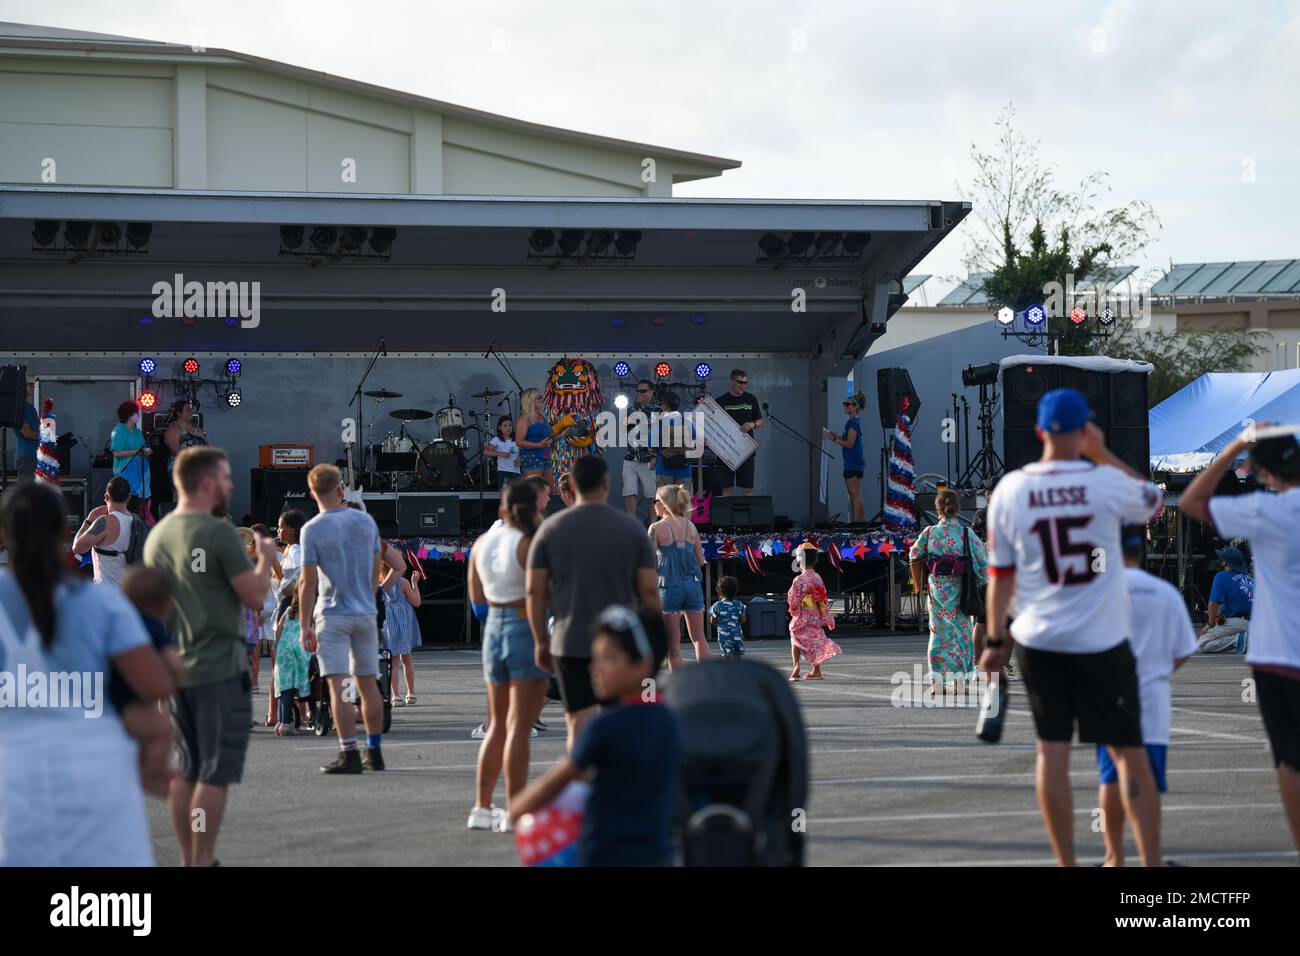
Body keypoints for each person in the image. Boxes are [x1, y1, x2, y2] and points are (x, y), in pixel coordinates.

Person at [981, 389, 1166, 868]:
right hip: (1102, 639)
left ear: (1039, 431)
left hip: (1039, 638)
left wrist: (996, 639)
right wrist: (1102, 453)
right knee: (1129, 752)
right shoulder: (1104, 482)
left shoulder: (1011, 490)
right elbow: (1153, 503)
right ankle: (1147, 863)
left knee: (1052, 752)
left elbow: (1000, 578)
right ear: (1085, 431)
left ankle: (1066, 862)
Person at [0, 484, 172, 867]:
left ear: (4, 535)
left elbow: (80, 549)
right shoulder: (104, 605)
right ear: (59, 530)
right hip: (102, 789)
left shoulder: (101, 526)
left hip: (20, 791)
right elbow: (157, 684)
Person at [144, 446, 276, 867]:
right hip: (219, 667)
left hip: (177, 668)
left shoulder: (159, 537)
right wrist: (266, 559)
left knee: (188, 768)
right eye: (225, 479)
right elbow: (255, 596)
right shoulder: (218, 532)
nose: (231, 485)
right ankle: (202, 860)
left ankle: (189, 858)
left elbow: (156, 607)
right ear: (206, 483)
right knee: (213, 774)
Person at [1179, 423, 1300, 853]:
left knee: (1289, 759)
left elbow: (1191, 501)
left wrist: (1234, 447)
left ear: (1266, 473)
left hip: (1277, 653)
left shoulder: (1263, 511)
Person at [508, 606, 681, 867]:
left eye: (609, 658)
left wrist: (516, 809)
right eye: (595, 657)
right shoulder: (669, 719)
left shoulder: (606, 726)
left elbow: (557, 781)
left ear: (642, 664)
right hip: (657, 853)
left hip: (605, 853)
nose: (595, 668)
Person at [527, 455, 661, 751]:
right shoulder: (631, 529)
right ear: (607, 484)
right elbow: (650, 591)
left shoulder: (549, 530)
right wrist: (655, 640)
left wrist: (540, 642)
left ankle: (583, 784)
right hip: (618, 642)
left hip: (569, 639)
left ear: (571, 486)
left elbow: (535, 592)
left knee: (578, 722)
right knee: (619, 717)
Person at [1097, 527, 1198, 866]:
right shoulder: (1164, 592)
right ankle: (1151, 858)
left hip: (1109, 693)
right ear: (1141, 552)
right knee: (1149, 777)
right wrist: (1159, 671)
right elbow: (1185, 649)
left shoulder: (1099, 592)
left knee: (1110, 776)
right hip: (1152, 696)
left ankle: (1114, 857)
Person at [467, 478, 551, 830]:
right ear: (534, 507)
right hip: (522, 625)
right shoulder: (531, 542)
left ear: (503, 507)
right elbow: (536, 595)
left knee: (497, 724)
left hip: (494, 629)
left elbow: (476, 603)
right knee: (519, 726)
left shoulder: (482, 543)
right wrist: (542, 642)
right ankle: (516, 809)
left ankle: (482, 808)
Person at [298, 463, 386, 774]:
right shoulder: (365, 522)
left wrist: (305, 624)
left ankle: (349, 753)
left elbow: (308, 582)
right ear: (341, 490)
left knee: (338, 685)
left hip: (332, 613)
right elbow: (376, 570)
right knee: (368, 683)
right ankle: (374, 752)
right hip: (364, 611)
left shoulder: (311, 529)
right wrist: (369, 597)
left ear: (312, 494)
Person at [908, 488, 988, 694]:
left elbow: (914, 554)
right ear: (957, 508)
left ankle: (937, 682)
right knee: (961, 635)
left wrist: (920, 583)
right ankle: (961, 683)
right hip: (961, 590)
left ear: (937, 510)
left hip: (937, 591)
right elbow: (982, 563)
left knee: (938, 634)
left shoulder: (929, 533)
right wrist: (981, 581)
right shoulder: (965, 533)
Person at [117, 565, 186, 798]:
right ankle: (153, 776)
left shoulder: (118, 621)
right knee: (162, 729)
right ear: (165, 603)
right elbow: (174, 662)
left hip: (103, 699)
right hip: (125, 704)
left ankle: (137, 767)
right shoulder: (152, 624)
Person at [648, 483, 709, 670]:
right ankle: (708, 680)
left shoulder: (656, 528)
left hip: (668, 587)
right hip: (692, 584)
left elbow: (649, 565)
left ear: (665, 503)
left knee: (673, 644)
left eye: (656, 501)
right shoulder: (691, 527)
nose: (654, 505)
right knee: (699, 638)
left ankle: (679, 686)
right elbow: (701, 560)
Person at [787, 543, 841, 680]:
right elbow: (823, 597)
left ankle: (796, 667)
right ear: (815, 560)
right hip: (815, 614)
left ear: (799, 560)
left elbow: (794, 599)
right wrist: (824, 615)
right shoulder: (817, 577)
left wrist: (793, 609)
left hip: (803, 613)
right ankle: (816, 670)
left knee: (795, 637)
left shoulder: (798, 579)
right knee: (814, 639)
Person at [705, 368, 763, 497]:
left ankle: (749, 517)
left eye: (745, 383)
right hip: (726, 451)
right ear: (732, 381)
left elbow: (760, 421)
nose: (743, 386)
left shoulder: (751, 399)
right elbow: (711, 425)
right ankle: (726, 517)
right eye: (740, 382)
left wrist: (752, 424)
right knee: (726, 489)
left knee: (747, 489)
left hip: (746, 450)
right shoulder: (721, 401)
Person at [71, 475, 137, 587]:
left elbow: (77, 548)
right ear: (129, 498)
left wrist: (89, 520)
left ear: (106, 497)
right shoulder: (137, 522)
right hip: (129, 595)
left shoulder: (105, 523)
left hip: (107, 595)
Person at [381, 556, 422, 705]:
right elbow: (416, 602)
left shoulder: (381, 584)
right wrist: (414, 583)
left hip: (388, 622)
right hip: (404, 621)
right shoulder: (402, 583)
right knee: (407, 659)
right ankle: (411, 694)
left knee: (393, 660)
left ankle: (395, 696)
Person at [1198, 545, 1254, 653]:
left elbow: (1213, 603)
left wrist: (1210, 624)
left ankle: (1238, 640)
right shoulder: (1251, 578)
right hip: (1255, 622)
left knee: (1202, 644)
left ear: (1225, 562)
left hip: (1237, 621)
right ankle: (1249, 638)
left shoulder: (1221, 576)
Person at [272, 591, 311, 736]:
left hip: (283, 651)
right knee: (290, 689)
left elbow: (278, 631)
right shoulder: (306, 614)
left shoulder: (288, 611)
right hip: (297, 653)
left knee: (284, 688)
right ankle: (286, 725)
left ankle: (282, 722)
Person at [824, 392, 867, 522]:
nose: (846, 406)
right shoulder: (851, 422)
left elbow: (849, 443)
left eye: (849, 404)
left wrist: (832, 439)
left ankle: (859, 523)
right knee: (853, 494)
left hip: (853, 462)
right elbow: (847, 439)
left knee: (855, 494)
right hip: (852, 462)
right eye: (845, 404)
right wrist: (836, 435)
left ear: (855, 407)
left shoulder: (853, 423)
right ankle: (857, 522)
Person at [110, 399, 153, 522]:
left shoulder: (138, 432)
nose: (138, 416)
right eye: (136, 413)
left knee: (140, 509)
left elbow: (142, 449)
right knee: (128, 508)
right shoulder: (118, 431)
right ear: (129, 415)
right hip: (126, 475)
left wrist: (146, 451)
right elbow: (116, 452)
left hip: (140, 476)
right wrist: (137, 451)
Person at [623, 379, 659, 518]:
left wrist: (656, 456)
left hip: (648, 458)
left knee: (652, 494)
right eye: (637, 391)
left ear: (651, 392)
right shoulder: (631, 408)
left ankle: (653, 525)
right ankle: (632, 523)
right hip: (631, 456)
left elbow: (661, 435)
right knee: (628, 490)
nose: (639, 393)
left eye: (643, 391)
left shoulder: (657, 409)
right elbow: (625, 429)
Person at [164, 399, 207, 499]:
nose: (191, 412)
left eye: (191, 409)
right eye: (188, 410)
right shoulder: (173, 429)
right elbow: (176, 451)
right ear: (179, 413)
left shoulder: (196, 428)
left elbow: (206, 445)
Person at [653, 391, 695, 490]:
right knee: (683, 503)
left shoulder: (658, 424)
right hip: (684, 469)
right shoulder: (687, 422)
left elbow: (652, 444)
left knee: (665, 504)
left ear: (664, 406)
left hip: (664, 469)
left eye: (662, 404)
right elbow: (694, 437)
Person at [516, 387, 553, 481]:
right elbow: (519, 442)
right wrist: (539, 445)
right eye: (538, 397)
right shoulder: (524, 418)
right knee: (535, 489)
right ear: (530, 400)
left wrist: (562, 435)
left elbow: (548, 438)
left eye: (540, 397)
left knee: (549, 489)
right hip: (532, 458)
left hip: (546, 457)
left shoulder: (542, 417)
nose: (541, 399)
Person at [709, 575, 747, 659]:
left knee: (726, 656)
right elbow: (743, 620)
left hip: (724, 636)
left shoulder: (716, 606)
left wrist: (718, 623)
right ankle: (738, 670)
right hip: (737, 635)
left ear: (719, 591)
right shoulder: (739, 605)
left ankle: (728, 670)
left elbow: (713, 621)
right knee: (737, 655)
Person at [483, 415, 521, 490]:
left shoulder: (517, 438)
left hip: (516, 472)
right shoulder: (496, 439)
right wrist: (500, 454)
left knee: (516, 498)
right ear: (500, 427)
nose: (508, 428)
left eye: (510, 425)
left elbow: (525, 450)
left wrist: (521, 458)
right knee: (504, 498)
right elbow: (486, 451)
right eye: (505, 426)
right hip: (503, 472)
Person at [14, 378, 39, 484]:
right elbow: (27, 433)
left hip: (33, 456)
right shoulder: (19, 408)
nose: (33, 387)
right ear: (21, 387)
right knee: (27, 496)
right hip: (26, 457)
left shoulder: (30, 408)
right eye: (30, 384)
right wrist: (45, 437)